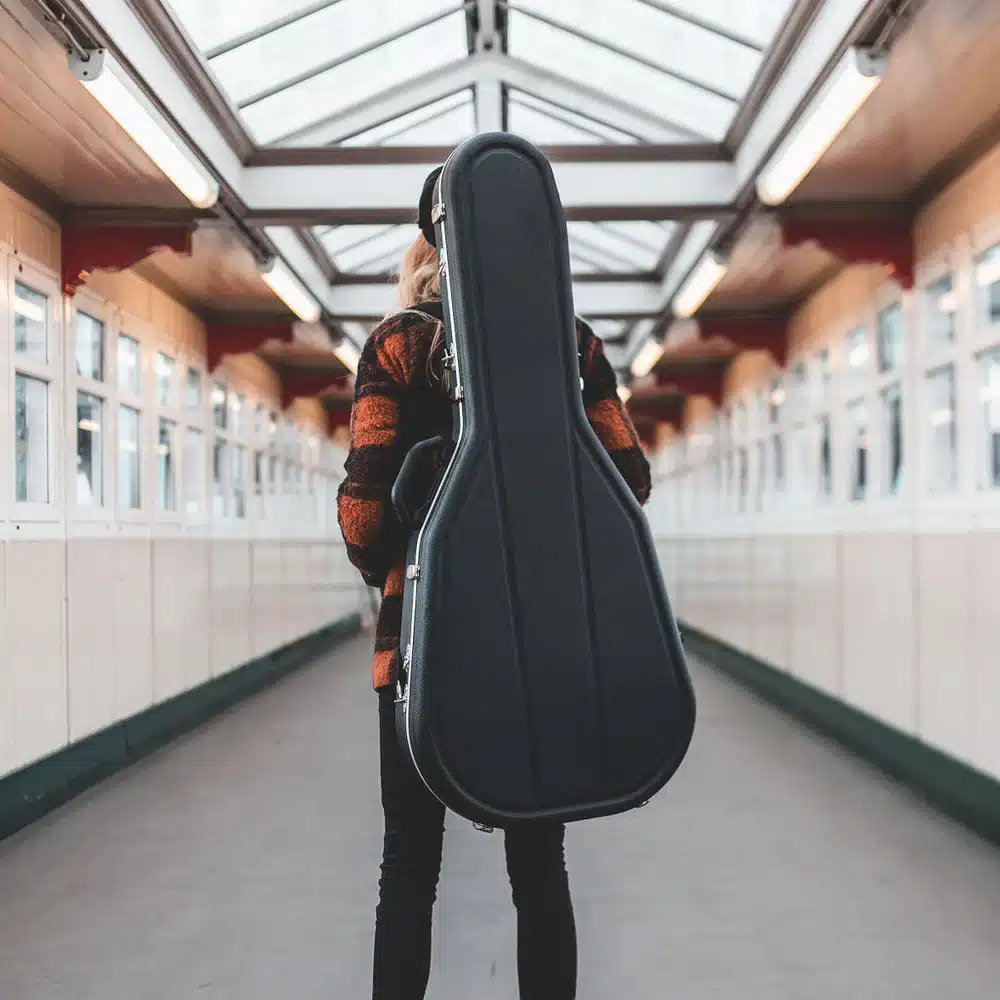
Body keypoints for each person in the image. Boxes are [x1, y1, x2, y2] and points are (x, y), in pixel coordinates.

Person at [336, 167, 653, 1000]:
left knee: (407, 867)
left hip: (421, 645)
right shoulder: (573, 343)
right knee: (540, 867)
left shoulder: (400, 344)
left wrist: (396, 565)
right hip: (540, 642)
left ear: (430, 247)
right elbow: (630, 483)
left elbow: (365, 518)